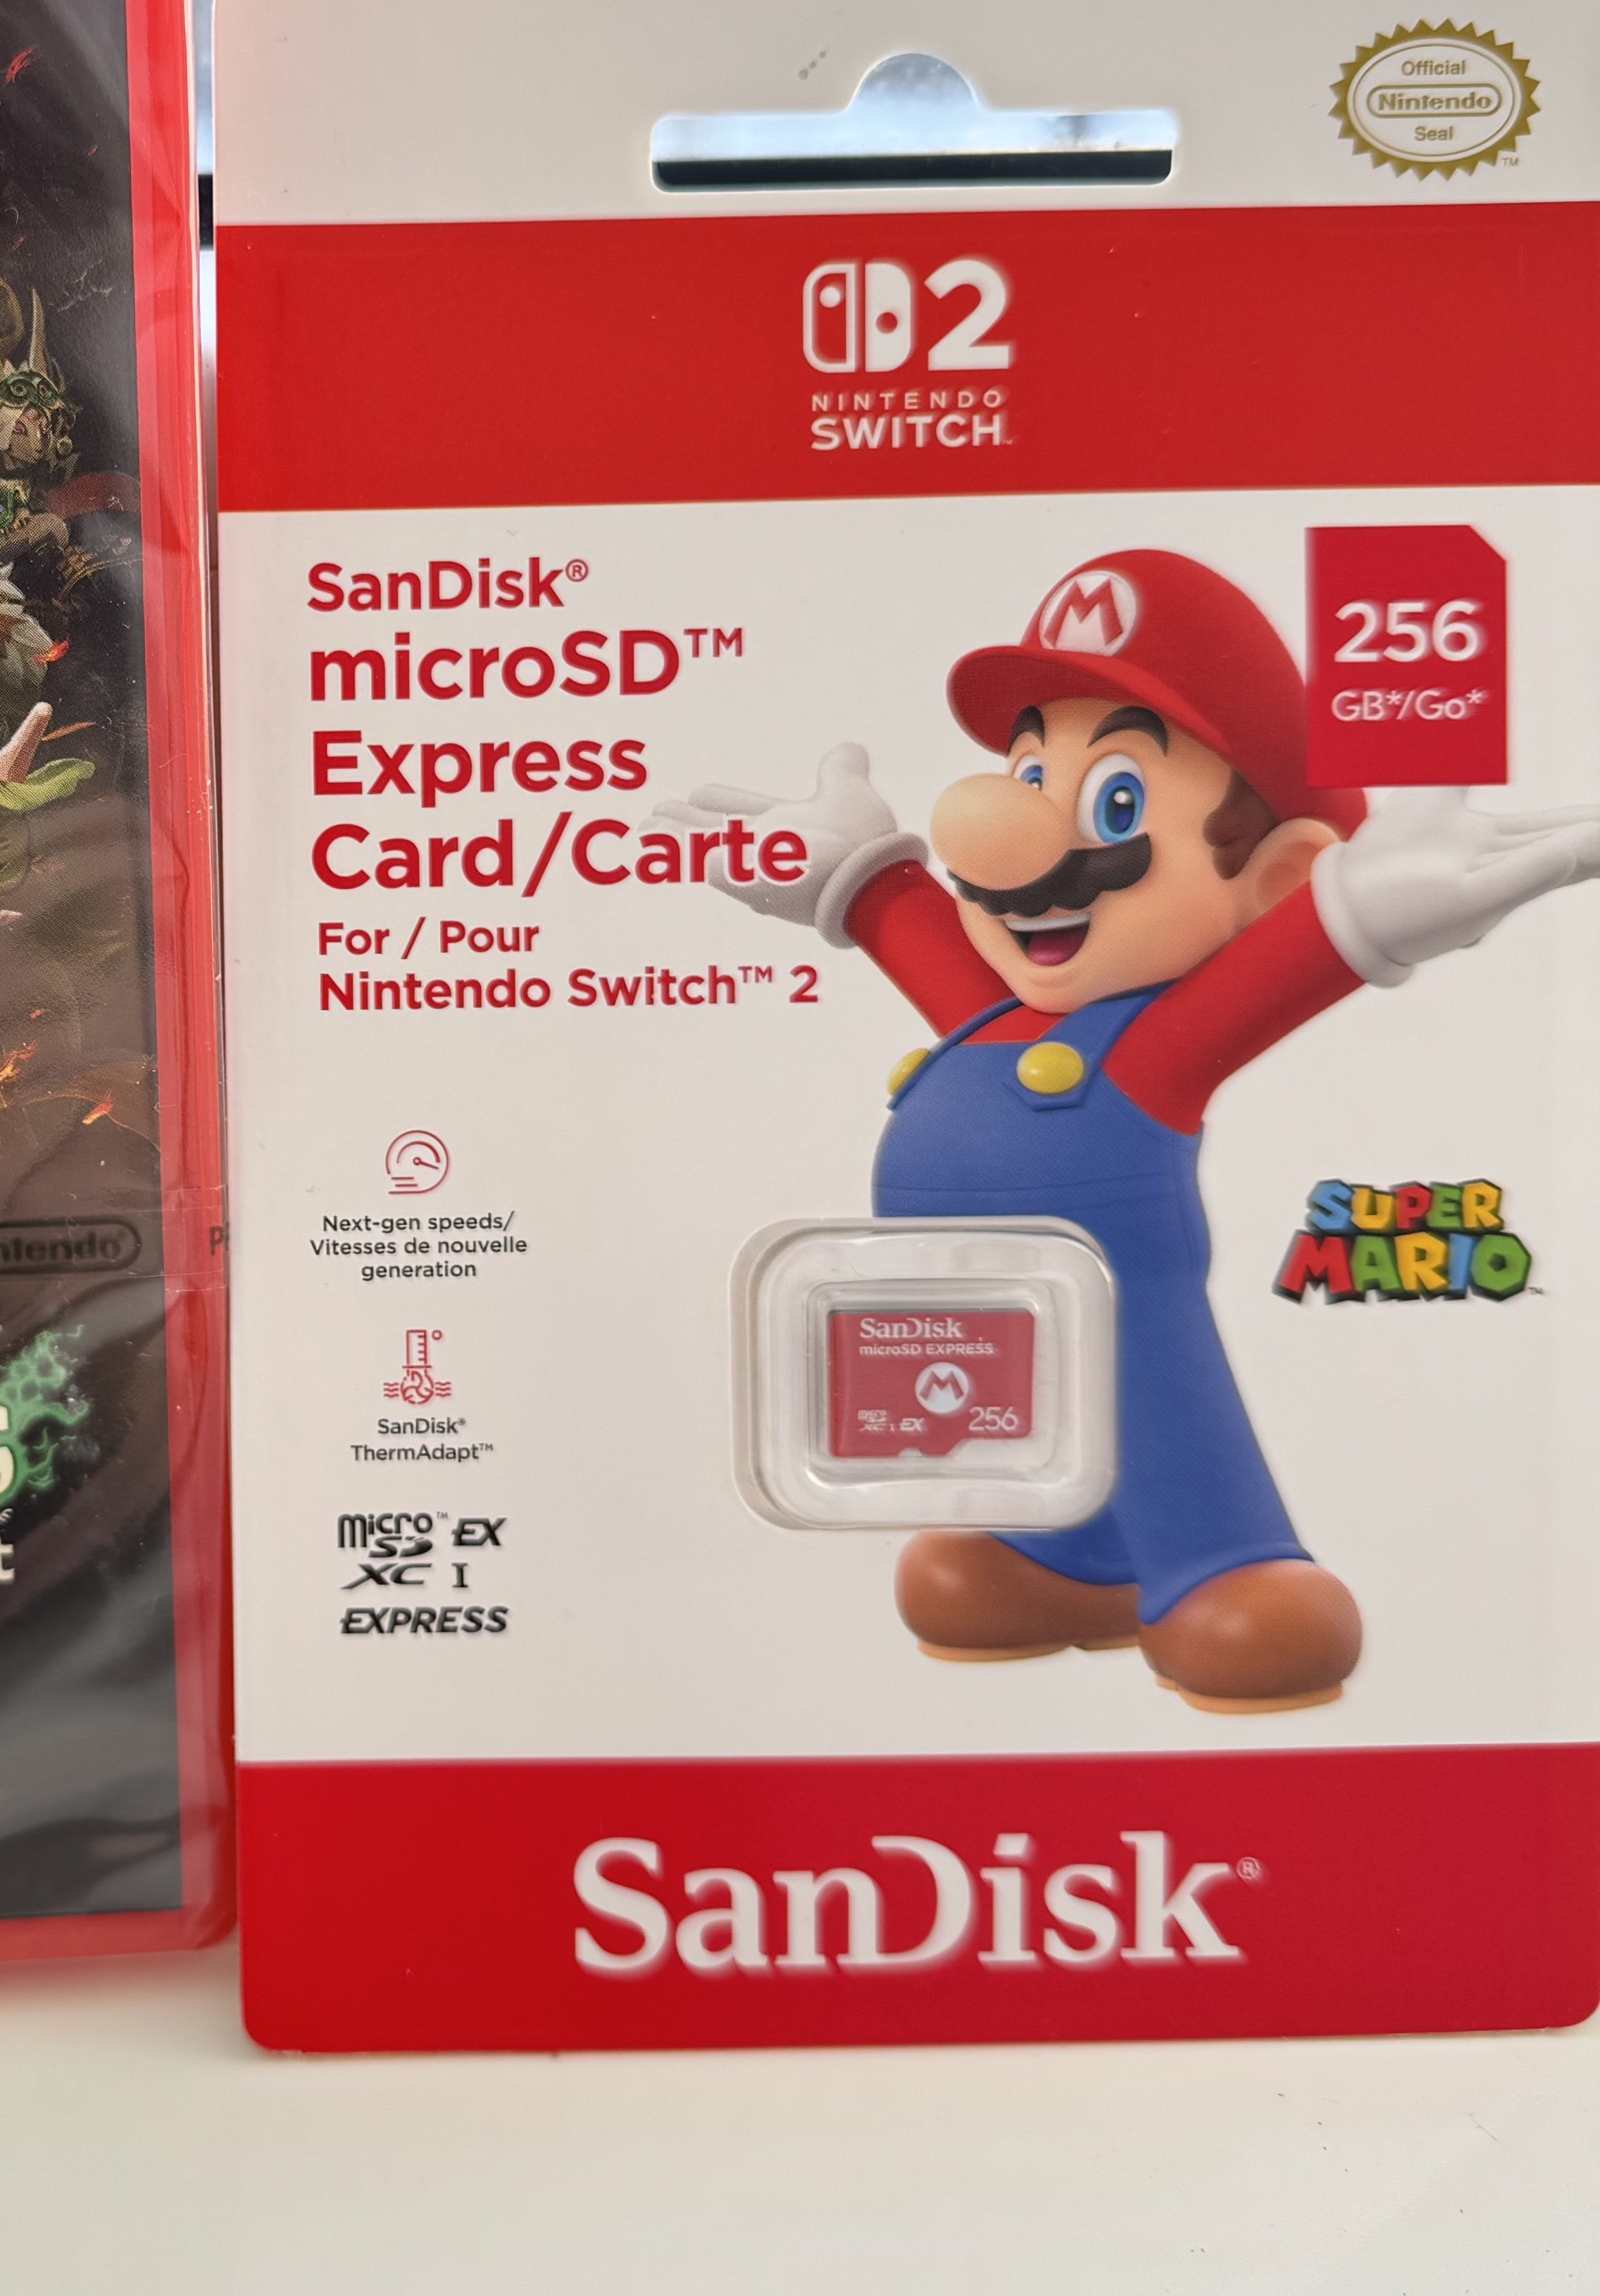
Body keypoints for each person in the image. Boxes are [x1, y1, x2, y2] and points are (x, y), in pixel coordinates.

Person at [671, 548, 1600, 1713]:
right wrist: (858, 876)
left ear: (1275, 876)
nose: (991, 838)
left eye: (1114, 800)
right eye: (1024, 771)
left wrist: (1358, 910)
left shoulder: (1149, 1047)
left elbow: (1284, 967)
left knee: (1148, 1397)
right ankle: (1058, 1560)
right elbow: (927, 939)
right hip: (975, 1319)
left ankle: (1220, 1564)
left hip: (1123, 1295)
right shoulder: (998, 1017)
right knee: (1012, 1420)